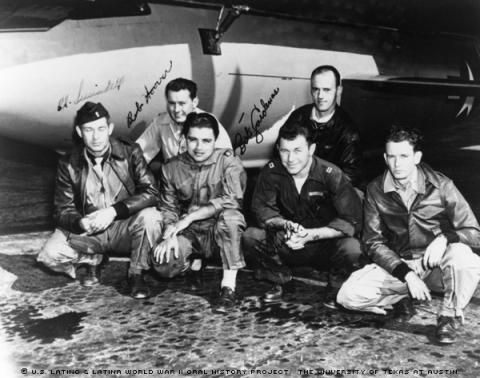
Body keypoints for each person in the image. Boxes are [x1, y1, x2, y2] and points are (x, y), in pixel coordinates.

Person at [337, 126, 480, 344]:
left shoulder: (442, 185)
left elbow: (474, 232)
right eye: (392, 157)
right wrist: (407, 274)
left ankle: (449, 316)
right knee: (347, 296)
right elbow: (373, 243)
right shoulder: (375, 189)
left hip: (436, 266)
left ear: (417, 157)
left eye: (404, 156)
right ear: (385, 158)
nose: (397, 164)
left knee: (465, 258)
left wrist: (444, 239)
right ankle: (403, 296)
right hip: (400, 265)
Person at [37, 102, 162, 299]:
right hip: (90, 230)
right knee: (49, 255)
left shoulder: (130, 152)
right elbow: (62, 209)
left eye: (101, 129)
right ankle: (91, 258)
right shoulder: (68, 163)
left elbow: (152, 192)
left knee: (151, 218)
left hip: (123, 226)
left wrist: (114, 211)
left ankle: (136, 273)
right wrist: (79, 222)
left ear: (110, 129)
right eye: (89, 130)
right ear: (79, 132)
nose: (96, 137)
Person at [242, 119, 363, 305]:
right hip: (288, 240)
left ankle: (337, 286)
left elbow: (351, 219)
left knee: (352, 248)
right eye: (284, 151)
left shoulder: (331, 174)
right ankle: (280, 280)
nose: (290, 159)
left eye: (297, 150)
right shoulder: (272, 171)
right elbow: (261, 209)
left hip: (325, 243)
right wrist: (285, 225)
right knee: (251, 236)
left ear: (311, 149)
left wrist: (311, 235)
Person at [150, 112, 246, 313]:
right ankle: (193, 262)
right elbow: (168, 207)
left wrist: (190, 217)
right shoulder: (171, 168)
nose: (199, 147)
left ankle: (228, 288)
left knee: (231, 217)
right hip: (191, 233)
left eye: (206, 140)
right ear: (184, 139)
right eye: (193, 139)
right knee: (163, 264)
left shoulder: (228, 161)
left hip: (218, 230)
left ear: (215, 141)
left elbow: (232, 199)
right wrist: (170, 233)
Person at [285, 65, 363, 188]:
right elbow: (278, 156)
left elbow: (349, 178)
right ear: (311, 90)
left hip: (326, 193)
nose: (320, 96)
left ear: (338, 91)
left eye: (326, 90)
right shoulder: (298, 117)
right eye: (316, 89)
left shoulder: (348, 132)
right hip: (293, 185)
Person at [136, 77, 232, 175]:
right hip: (173, 183)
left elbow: (228, 163)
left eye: (182, 103)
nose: (176, 110)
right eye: (172, 103)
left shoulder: (209, 122)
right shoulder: (160, 122)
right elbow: (139, 151)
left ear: (194, 102)